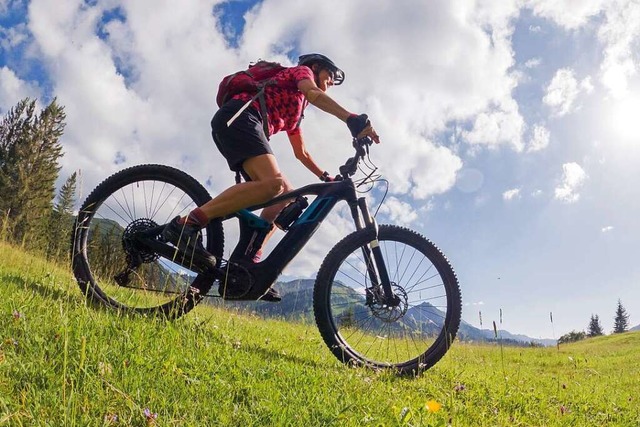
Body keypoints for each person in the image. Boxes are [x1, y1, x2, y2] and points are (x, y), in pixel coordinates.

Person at [162, 53, 380, 301]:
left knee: (285, 197)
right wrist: (351, 118)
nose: (330, 83)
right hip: (241, 117)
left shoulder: (296, 108)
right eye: (330, 76)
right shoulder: (301, 74)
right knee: (273, 184)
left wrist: (325, 176)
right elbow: (315, 94)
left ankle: (247, 263)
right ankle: (186, 225)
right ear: (316, 67)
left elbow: (302, 153)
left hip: (248, 124)